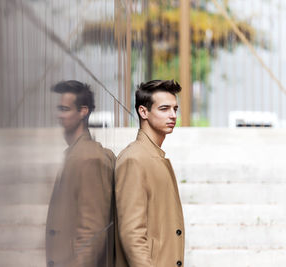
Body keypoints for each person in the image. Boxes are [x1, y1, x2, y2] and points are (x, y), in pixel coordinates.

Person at [115, 80, 185, 267]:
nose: (172, 115)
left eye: (175, 109)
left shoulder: (152, 156)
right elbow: (132, 233)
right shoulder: (135, 159)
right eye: (164, 109)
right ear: (143, 112)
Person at [46, 80, 115, 267]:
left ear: (83, 111)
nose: (59, 115)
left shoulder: (89, 158)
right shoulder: (75, 154)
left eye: (65, 109)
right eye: (59, 109)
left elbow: (92, 233)